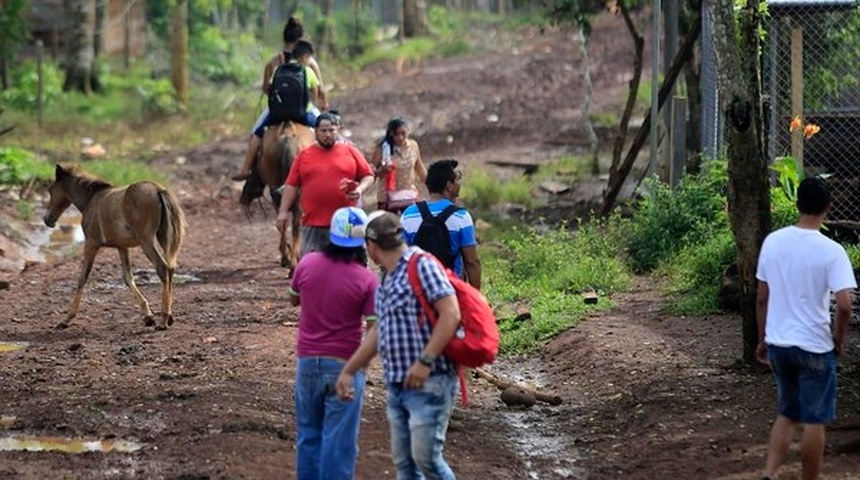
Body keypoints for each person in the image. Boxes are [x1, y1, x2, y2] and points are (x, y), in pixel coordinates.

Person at [335, 211, 460, 480]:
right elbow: (379, 332)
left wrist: (425, 361)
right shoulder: (388, 278)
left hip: (430, 381)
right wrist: (350, 370)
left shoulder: (422, 265)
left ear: (372, 245)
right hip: (397, 384)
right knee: (406, 465)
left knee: (427, 460)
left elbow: (451, 313)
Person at [756, 177, 855, 480]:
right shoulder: (832, 250)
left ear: (797, 204)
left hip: (780, 345)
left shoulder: (773, 241)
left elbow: (761, 297)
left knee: (787, 413)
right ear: (828, 207)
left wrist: (763, 339)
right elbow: (845, 305)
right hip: (814, 345)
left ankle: (769, 474)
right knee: (815, 419)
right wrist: (838, 340)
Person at [289, 206, 379, 480]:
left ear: (331, 234)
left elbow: (294, 297)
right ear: (363, 241)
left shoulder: (307, 262)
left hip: (307, 364)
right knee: (338, 443)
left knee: (309, 436)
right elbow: (374, 329)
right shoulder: (367, 280)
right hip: (345, 366)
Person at [232, 17, 328, 181]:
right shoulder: (309, 63)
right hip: (304, 110)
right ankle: (334, 167)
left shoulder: (274, 62)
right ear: (301, 41)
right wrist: (323, 104)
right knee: (329, 131)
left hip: (278, 112)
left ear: (284, 39)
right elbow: (320, 90)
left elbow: (266, 88)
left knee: (256, 133)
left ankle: (247, 169)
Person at [276, 112, 375, 257]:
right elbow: (291, 185)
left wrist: (360, 189)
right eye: (323, 131)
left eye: (331, 130)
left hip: (347, 220)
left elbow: (368, 175)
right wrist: (283, 212)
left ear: (338, 131)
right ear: (315, 132)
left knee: (352, 262)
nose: (328, 134)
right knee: (313, 266)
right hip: (314, 222)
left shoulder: (350, 151)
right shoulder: (304, 155)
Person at [400, 159, 481, 289]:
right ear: (449, 185)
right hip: (452, 290)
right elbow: (472, 262)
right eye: (458, 180)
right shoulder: (461, 216)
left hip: (418, 290)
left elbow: (401, 257)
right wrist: (476, 298)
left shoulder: (408, 215)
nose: (459, 184)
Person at [370, 116, 427, 213]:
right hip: (387, 198)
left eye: (403, 133)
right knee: (389, 226)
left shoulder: (413, 146)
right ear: (391, 133)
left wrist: (434, 187)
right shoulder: (383, 149)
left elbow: (420, 169)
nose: (400, 137)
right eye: (396, 134)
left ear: (408, 131)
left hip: (408, 195)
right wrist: (382, 171)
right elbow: (371, 174)